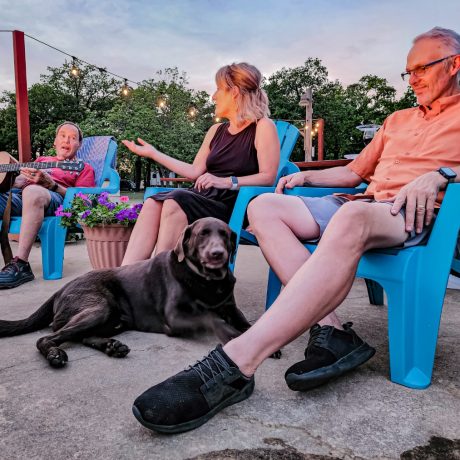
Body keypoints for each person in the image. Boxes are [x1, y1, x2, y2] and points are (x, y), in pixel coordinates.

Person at [129, 27, 460, 434]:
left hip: (411, 212)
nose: (412, 80)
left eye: (420, 69)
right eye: (407, 72)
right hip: (361, 202)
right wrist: (306, 178)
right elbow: (354, 172)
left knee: (349, 219)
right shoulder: (397, 119)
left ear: (454, 63)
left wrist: (442, 174)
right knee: (264, 206)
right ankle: (333, 329)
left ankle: (237, 362)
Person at [120, 63, 279, 265]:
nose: (213, 96)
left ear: (235, 93)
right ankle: (125, 276)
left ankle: (162, 280)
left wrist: (226, 181)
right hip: (204, 197)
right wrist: (153, 153)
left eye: (219, 89)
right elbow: (194, 171)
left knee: (175, 200)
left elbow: (268, 176)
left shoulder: (262, 127)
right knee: (152, 202)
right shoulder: (216, 130)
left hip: (232, 204)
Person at [0, 122, 95, 289]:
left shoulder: (83, 168)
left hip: (55, 199)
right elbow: (19, 183)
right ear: (55, 141)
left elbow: (85, 202)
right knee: (27, 190)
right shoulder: (42, 160)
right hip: (20, 198)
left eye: (73, 138)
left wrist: (53, 185)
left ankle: (21, 265)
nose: (67, 140)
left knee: (33, 192)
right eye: (63, 136)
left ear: (79, 145)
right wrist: (14, 180)